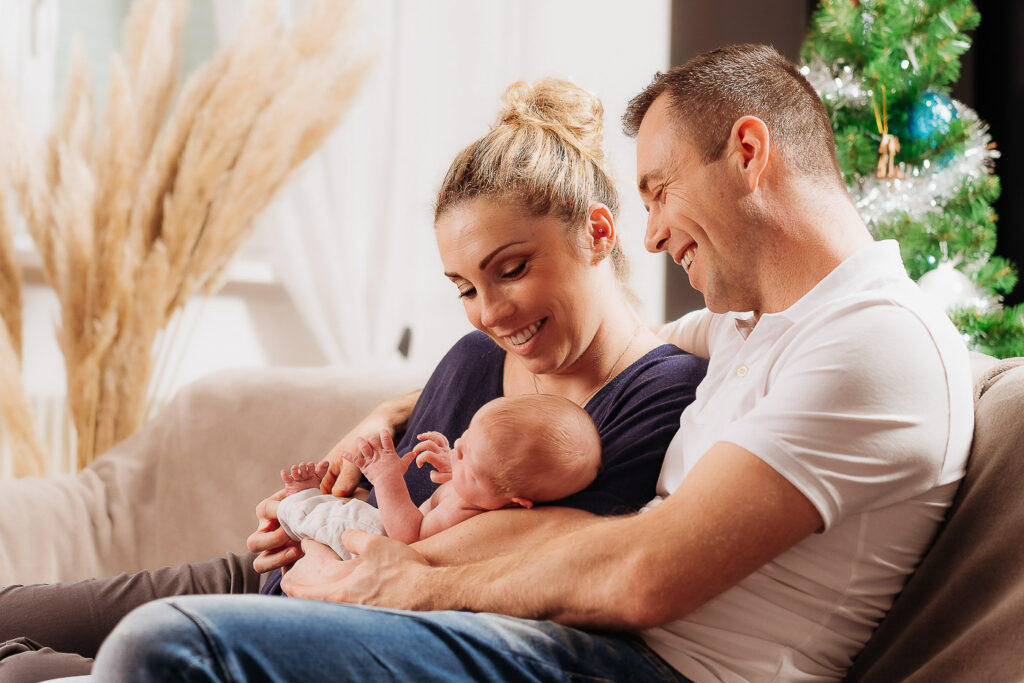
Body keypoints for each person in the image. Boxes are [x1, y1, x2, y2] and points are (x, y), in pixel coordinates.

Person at [91, 44, 974, 683]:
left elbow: (645, 571)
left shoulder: (873, 342)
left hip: (656, 667)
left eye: (661, 191)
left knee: (166, 646)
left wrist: (407, 584)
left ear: (748, 153)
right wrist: (388, 416)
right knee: (145, 632)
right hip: (590, 645)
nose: (654, 230)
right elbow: (611, 367)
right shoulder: (753, 327)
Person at [0, 77, 707, 681]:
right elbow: (365, 500)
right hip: (267, 580)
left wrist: (347, 555)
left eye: (511, 269)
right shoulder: (471, 364)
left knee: (26, 668)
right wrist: (300, 514)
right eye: (463, 286)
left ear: (600, 232)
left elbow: (562, 555)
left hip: (318, 618)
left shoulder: (660, 395)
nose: (489, 312)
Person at [276, 394, 603, 558]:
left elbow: (409, 538)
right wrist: (457, 464)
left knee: (341, 517)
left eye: (468, 463)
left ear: (516, 503)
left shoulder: (467, 513)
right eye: (467, 437)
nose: (458, 445)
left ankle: (300, 501)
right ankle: (304, 500)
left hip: (378, 548)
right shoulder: (485, 493)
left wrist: (387, 479)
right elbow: (474, 471)